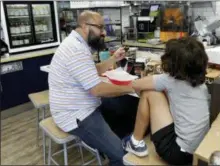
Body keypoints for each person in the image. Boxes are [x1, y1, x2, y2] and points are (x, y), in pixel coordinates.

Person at [48, 10, 135, 166]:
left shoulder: (78, 43)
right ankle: (113, 149)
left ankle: (109, 142)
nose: (103, 33)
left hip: (83, 104)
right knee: (121, 157)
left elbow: (92, 70)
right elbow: (97, 90)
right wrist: (133, 87)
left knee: (125, 105)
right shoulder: (75, 50)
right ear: (84, 25)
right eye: (100, 28)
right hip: (76, 114)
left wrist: (113, 59)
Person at [122, 37, 210, 165]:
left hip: (177, 153)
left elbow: (136, 85)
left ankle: (135, 141)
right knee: (161, 92)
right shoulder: (202, 84)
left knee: (149, 92)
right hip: (198, 150)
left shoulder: (169, 80)